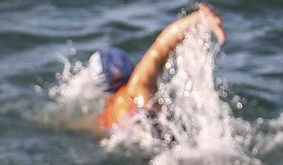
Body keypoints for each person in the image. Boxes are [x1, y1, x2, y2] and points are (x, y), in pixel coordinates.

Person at [94, 5, 226, 133]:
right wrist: (200, 17)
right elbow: (161, 47)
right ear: (131, 69)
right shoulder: (136, 90)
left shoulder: (106, 119)